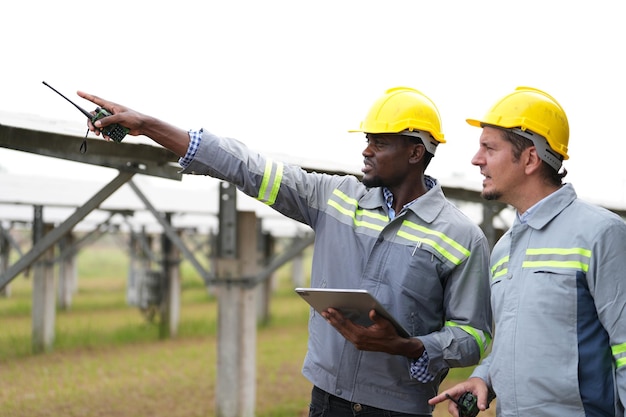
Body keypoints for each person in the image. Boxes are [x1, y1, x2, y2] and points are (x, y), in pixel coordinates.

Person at [78, 86, 492, 416]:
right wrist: (149, 125)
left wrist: (409, 346)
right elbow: (246, 166)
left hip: (399, 409)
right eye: (367, 140)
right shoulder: (334, 198)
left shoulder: (460, 236)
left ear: (415, 152)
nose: (365, 150)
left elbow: (474, 336)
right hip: (327, 399)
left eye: (379, 142)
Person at [429, 87, 626, 416]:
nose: (476, 160)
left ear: (531, 158)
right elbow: (513, 341)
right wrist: (484, 377)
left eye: (489, 148)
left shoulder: (601, 234)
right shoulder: (504, 247)